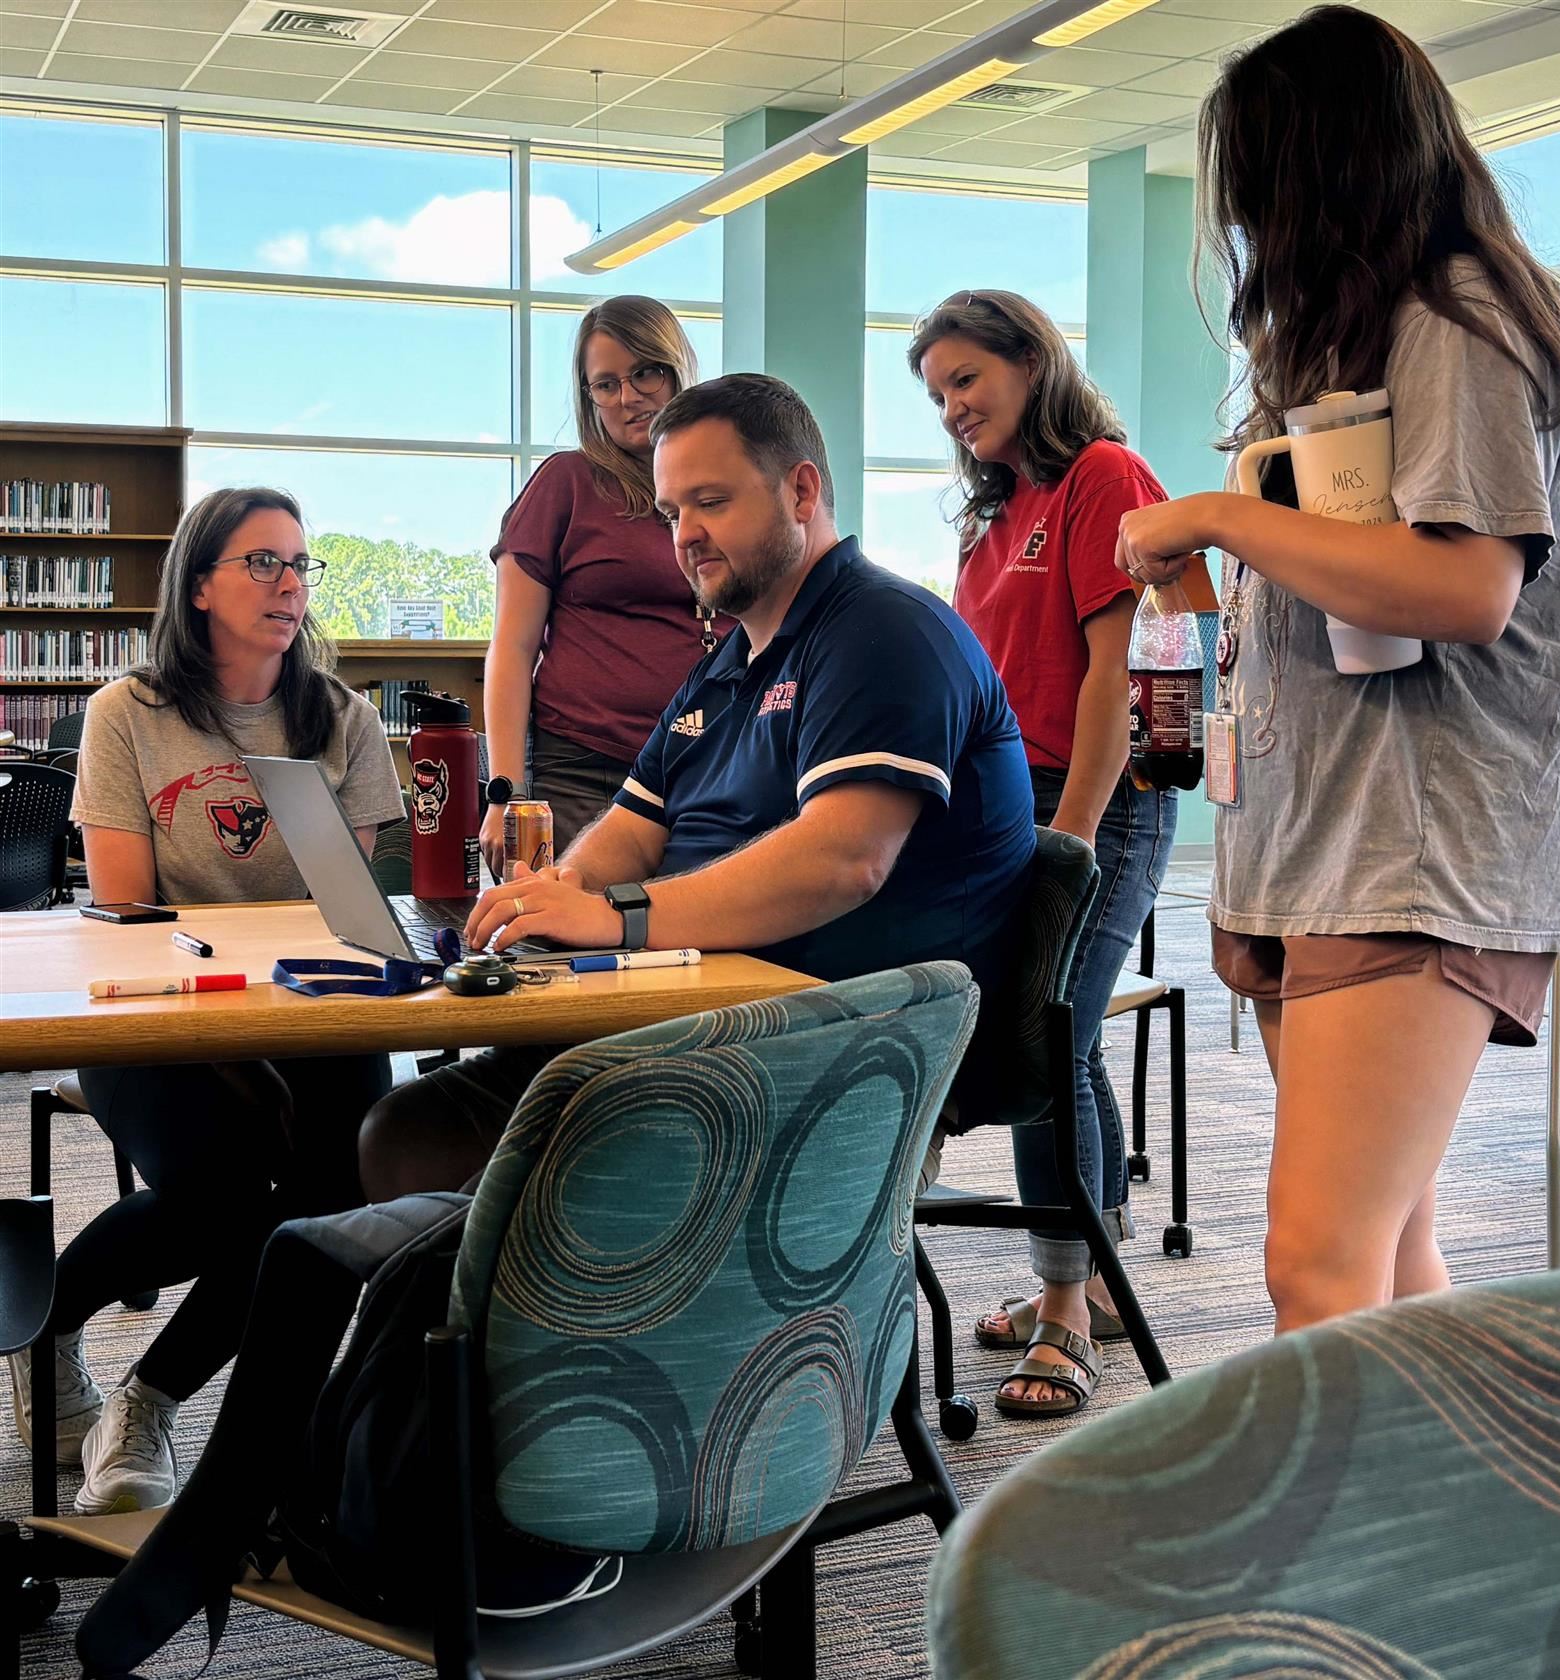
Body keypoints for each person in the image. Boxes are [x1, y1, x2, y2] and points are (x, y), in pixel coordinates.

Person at [1115, 5, 1560, 1336]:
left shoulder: (1456, 321)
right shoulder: (1370, 335)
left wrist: (1223, 516)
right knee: (1385, 1266)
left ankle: (1337, 1548)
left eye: (1265, 183)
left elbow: (1466, 588)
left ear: (1328, 170)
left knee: (1318, 1267)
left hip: (1421, 849)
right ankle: (1454, 1538)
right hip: (1337, 836)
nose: (1252, 224)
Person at [359, 373, 1036, 1200]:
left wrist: (616, 917)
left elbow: (843, 859)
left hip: (839, 1049)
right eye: (674, 511)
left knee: (453, 1200)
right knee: (406, 1136)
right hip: (704, 1016)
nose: (686, 535)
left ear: (801, 490)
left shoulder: (885, 631)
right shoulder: (731, 658)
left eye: (710, 502)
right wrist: (557, 893)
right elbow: (637, 823)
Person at [8, 488, 404, 1515]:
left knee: (340, 1200)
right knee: (229, 1195)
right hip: (159, 1006)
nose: (289, 586)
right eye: (263, 563)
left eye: (300, 566)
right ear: (199, 586)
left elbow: (342, 911)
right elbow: (129, 906)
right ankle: (50, 1321)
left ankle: (151, 1396)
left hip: (308, 1006)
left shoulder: (344, 719)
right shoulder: (127, 715)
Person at [910, 289, 1217, 1417]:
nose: (950, 407)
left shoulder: (1104, 478)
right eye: (936, 392)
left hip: (1096, 804)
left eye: (965, 380)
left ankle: (1069, 1313)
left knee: (1049, 1047)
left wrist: (1074, 835)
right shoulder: (996, 513)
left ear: (1031, 362)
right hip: (1004, 810)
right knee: (1067, 1047)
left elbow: (1113, 670)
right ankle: (1092, 1280)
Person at [479, 295, 731, 875]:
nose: (628, 397)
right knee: (569, 944)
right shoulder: (567, 483)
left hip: (709, 766)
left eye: (646, 372)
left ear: (678, 369)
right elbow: (512, 649)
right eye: (606, 384)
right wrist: (507, 794)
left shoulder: (724, 488)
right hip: (583, 772)